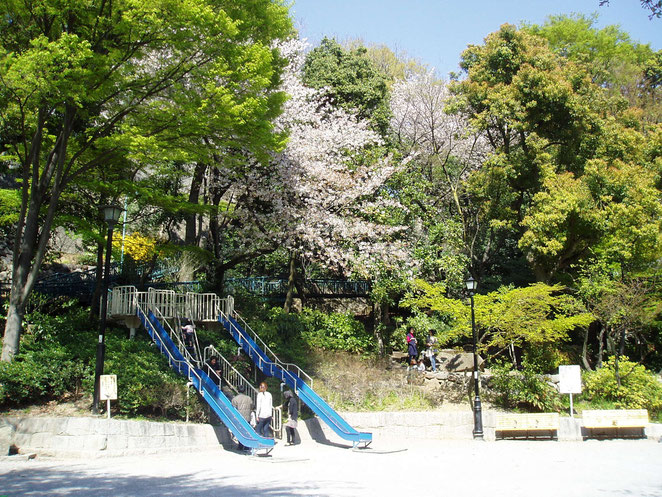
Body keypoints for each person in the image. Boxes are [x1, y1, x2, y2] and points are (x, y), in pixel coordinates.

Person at [231, 384, 254, 451]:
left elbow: (233, 408)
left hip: (239, 418)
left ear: (238, 390)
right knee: (247, 431)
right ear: (244, 391)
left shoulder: (235, 399)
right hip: (247, 417)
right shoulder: (248, 398)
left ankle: (240, 446)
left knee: (240, 432)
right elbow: (252, 406)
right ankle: (247, 446)